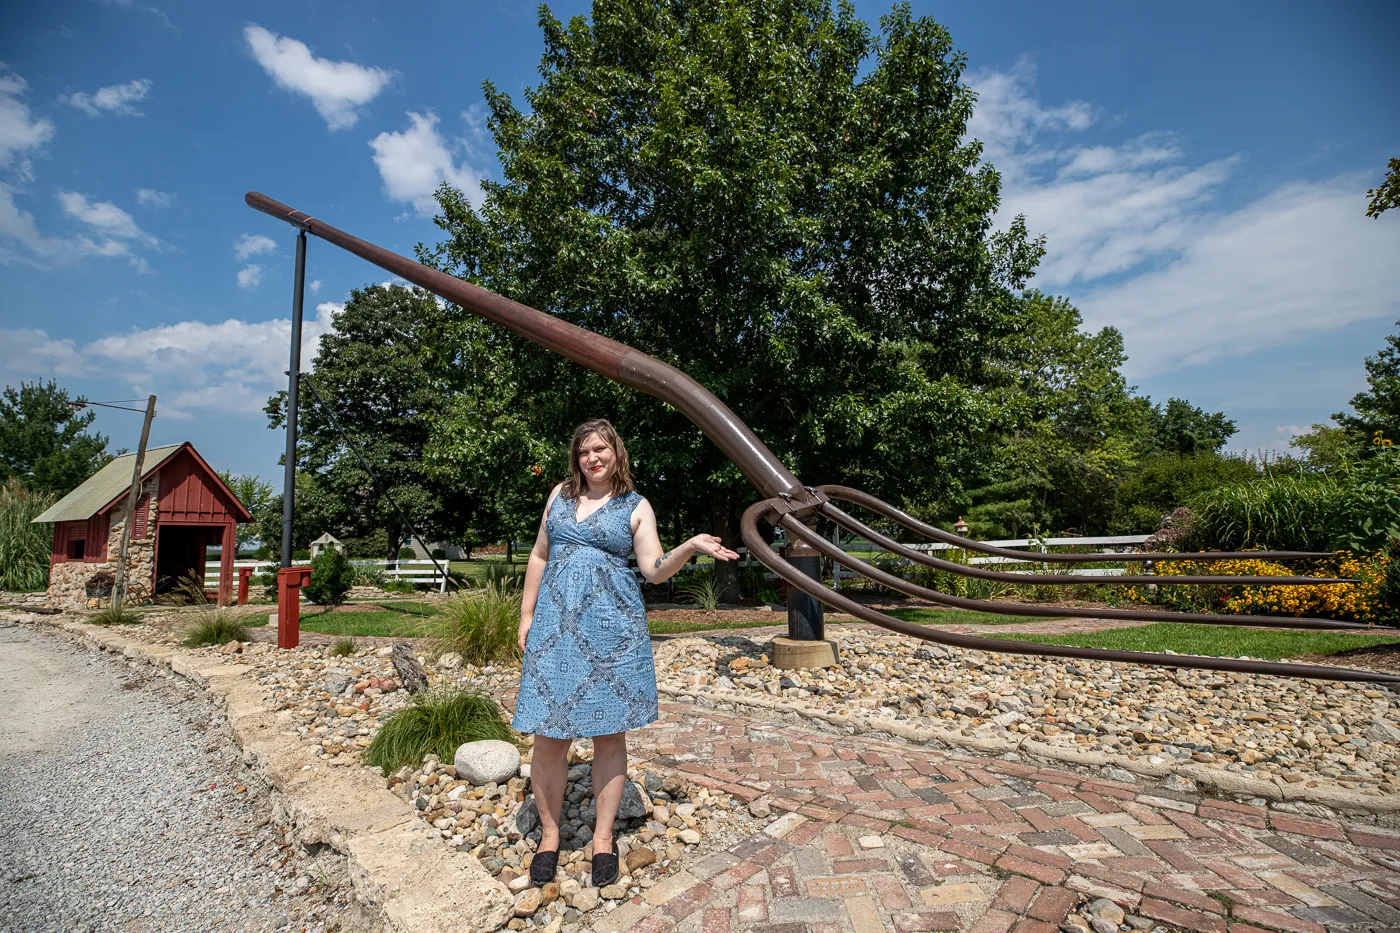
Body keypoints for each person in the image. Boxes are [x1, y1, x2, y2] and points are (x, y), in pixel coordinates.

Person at [512, 418, 740, 888]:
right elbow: (540, 554)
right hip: (554, 629)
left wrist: (692, 546)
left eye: (600, 450)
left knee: (608, 737)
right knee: (548, 736)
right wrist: (526, 617)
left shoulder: (635, 506)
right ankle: (549, 837)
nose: (592, 458)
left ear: (616, 453)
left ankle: (601, 839)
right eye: (583, 452)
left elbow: (654, 570)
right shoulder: (558, 495)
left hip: (610, 633)